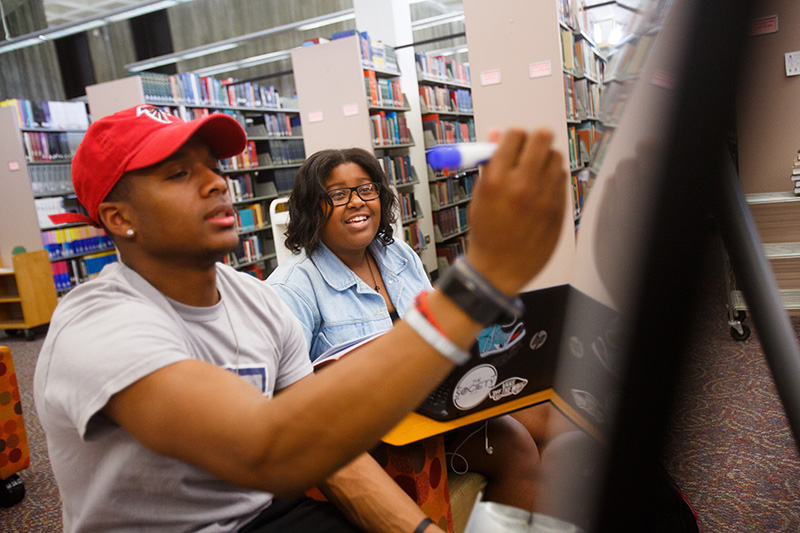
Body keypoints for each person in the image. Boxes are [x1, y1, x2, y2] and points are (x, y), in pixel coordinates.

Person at [32, 104, 566, 532]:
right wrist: (481, 281)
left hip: (270, 511)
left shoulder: (256, 303)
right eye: (178, 174)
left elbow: (331, 457)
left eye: (214, 169)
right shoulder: (98, 326)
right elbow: (265, 447)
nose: (218, 184)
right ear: (119, 218)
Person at [266, 147, 541, 512]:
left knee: (549, 413)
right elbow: (286, 399)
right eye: (337, 195)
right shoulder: (291, 287)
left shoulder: (399, 255)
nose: (356, 202)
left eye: (366, 189)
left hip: (434, 398)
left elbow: (438, 328)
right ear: (311, 207)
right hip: (378, 434)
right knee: (515, 445)